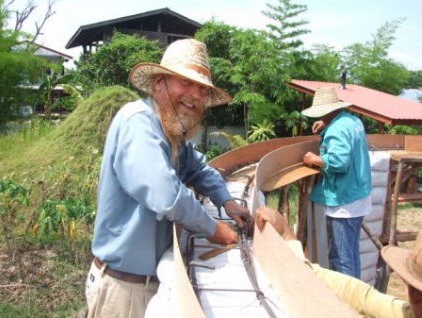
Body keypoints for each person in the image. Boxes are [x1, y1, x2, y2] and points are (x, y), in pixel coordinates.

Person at [84, 38, 251, 318]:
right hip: (124, 288)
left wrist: (227, 201)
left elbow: (199, 169)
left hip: (147, 284)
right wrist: (213, 229)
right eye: (185, 82)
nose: (194, 95)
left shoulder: (171, 133)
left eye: (201, 89)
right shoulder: (138, 123)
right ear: (159, 83)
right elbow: (167, 196)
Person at [256, 205, 419, 318]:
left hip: (344, 209)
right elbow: (361, 296)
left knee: (343, 256)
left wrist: (287, 237)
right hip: (349, 207)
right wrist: (287, 237)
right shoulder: (406, 313)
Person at [302, 86, 372, 279]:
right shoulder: (352, 120)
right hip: (358, 195)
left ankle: (348, 304)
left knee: (341, 258)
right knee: (351, 253)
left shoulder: (337, 129)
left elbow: (339, 162)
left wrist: (315, 159)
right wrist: (326, 124)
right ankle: (358, 296)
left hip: (345, 201)